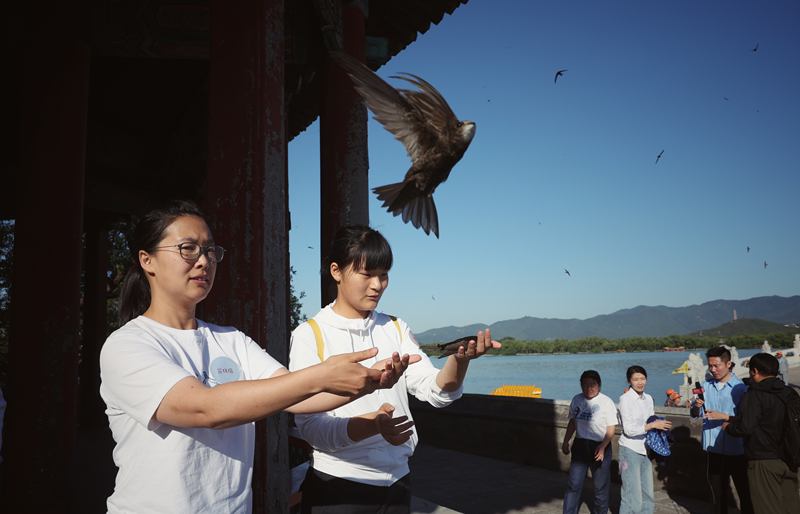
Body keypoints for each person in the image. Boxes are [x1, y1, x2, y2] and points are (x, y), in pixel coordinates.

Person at [99, 202, 412, 513]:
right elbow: (204, 408)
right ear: (147, 260)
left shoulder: (231, 340)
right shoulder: (127, 345)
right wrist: (320, 375)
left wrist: (367, 381)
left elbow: (295, 396)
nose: (204, 261)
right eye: (188, 248)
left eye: (210, 250)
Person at [288, 225, 500, 514]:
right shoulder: (310, 334)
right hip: (338, 486)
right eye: (367, 274)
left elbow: (436, 390)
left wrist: (459, 361)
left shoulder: (396, 328)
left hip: (399, 482)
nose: (378, 285)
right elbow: (311, 427)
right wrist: (371, 424)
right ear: (336, 271)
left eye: (384, 275)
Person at [713, 353, 800, 514]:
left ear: (754, 371)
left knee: (767, 507)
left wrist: (728, 427)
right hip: (791, 457)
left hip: (764, 460)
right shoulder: (790, 393)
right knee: (791, 506)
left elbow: (745, 427)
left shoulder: (754, 395)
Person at [691, 346, 753, 514]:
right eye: (710, 366)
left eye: (717, 365)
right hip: (714, 448)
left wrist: (724, 416)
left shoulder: (741, 388)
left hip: (737, 448)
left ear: (729, 364)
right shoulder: (705, 386)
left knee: (744, 491)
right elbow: (694, 414)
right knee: (717, 493)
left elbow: (748, 420)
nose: (713, 369)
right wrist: (696, 407)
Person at [561, 370, 617, 514]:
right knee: (574, 484)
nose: (589, 388)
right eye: (585, 385)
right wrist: (566, 441)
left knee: (600, 488)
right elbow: (573, 422)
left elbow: (611, 429)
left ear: (599, 385)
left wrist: (603, 447)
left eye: (592, 385)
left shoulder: (607, 402)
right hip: (580, 445)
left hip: (599, 445)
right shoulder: (577, 400)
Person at [617, 365, 671, 514]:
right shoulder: (625, 399)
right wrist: (652, 425)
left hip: (646, 449)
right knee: (631, 496)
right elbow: (629, 430)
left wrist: (659, 427)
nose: (640, 382)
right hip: (629, 449)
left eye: (642, 378)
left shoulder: (648, 398)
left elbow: (650, 420)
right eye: (635, 379)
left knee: (648, 494)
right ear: (629, 381)